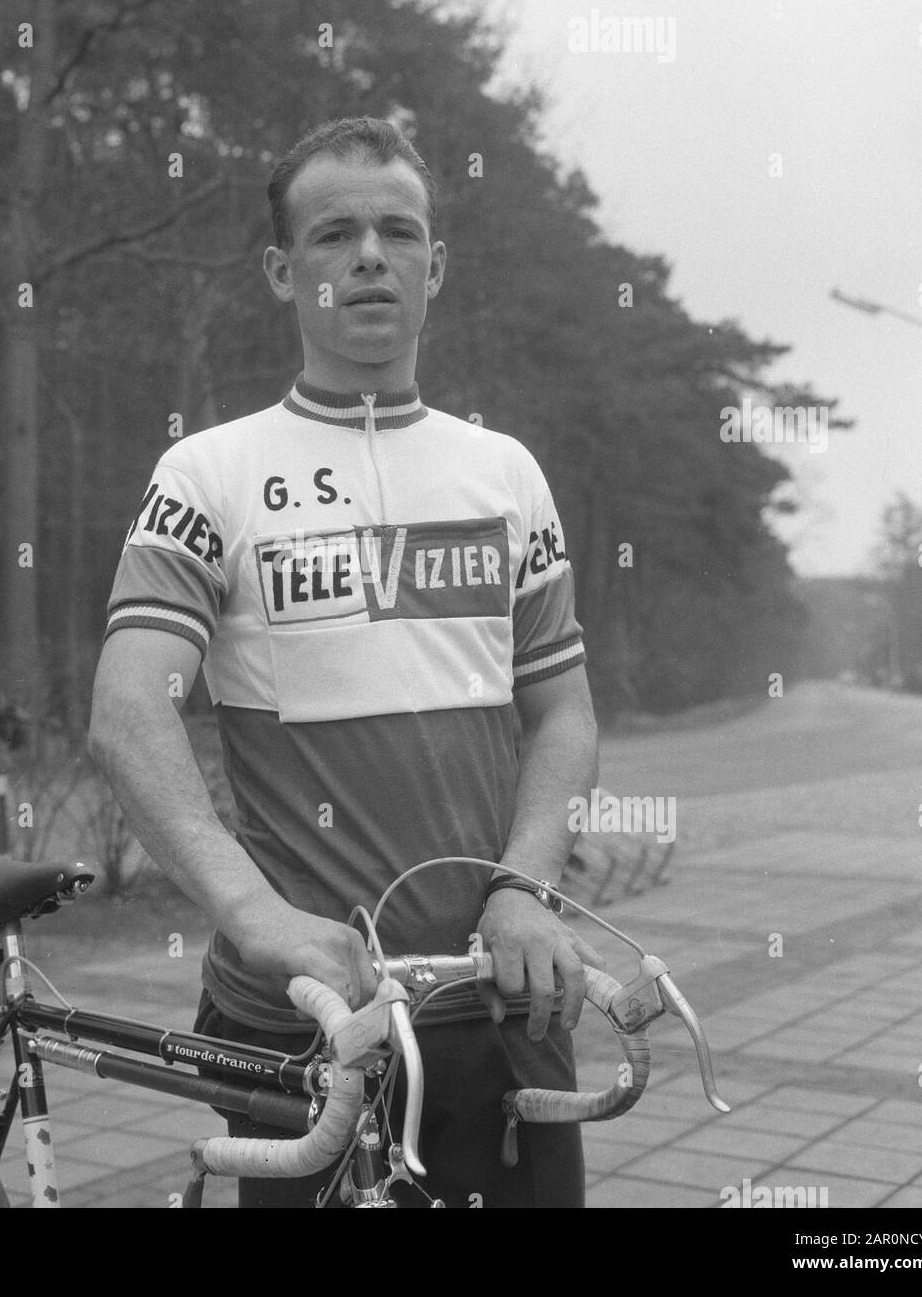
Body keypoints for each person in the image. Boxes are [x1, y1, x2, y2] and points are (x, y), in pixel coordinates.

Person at [87, 116, 602, 1207]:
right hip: (306, 1018)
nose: (369, 254)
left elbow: (561, 713)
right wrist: (256, 917)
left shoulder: (505, 473)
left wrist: (525, 890)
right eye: (333, 234)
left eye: (397, 230)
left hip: (497, 1006)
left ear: (434, 266)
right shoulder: (208, 472)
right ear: (284, 271)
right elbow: (130, 711)